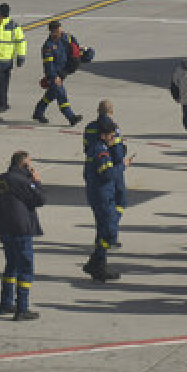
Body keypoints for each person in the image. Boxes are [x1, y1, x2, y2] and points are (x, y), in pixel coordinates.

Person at [0, 150, 44, 321]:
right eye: (29, 164)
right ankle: (22, 308)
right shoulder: (22, 181)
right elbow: (40, 199)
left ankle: (5, 303)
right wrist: (37, 182)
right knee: (25, 268)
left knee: (11, 265)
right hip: (20, 230)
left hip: (4, 229)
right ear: (24, 164)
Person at [84, 99, 132, 245]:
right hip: (112, 169)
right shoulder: (113, 128)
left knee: (101, 211)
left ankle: (104, 235)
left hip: (92, 169)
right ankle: (110, 233)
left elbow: (86, 148)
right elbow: (117, 153)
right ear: (111, 112)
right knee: (118, 202)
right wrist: (123, 153)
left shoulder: (89, 127)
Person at [82, 117, 122, 282]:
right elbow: (107, 174)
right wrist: (122, 166)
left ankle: (97, 262)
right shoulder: (101, 151)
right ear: (104, 135)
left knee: (102, 230)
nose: (114, 137)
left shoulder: (97, 148)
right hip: (102, 195)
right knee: (107, 230)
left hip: (99, 193)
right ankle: (98, 263)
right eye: (112, 134)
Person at [33, 20, 83, 126]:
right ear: (52, 32)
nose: (60, 32)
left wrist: (81, 52)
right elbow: (48, 65)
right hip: (53, 75)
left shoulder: (66, 37)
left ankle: (38, 112)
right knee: (61, 95)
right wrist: (54, 77)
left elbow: (75, 47)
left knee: (50, 95)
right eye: (58, 31)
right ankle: (71, 117)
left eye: (60, 30)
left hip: (63, 72)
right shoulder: (48, 46)